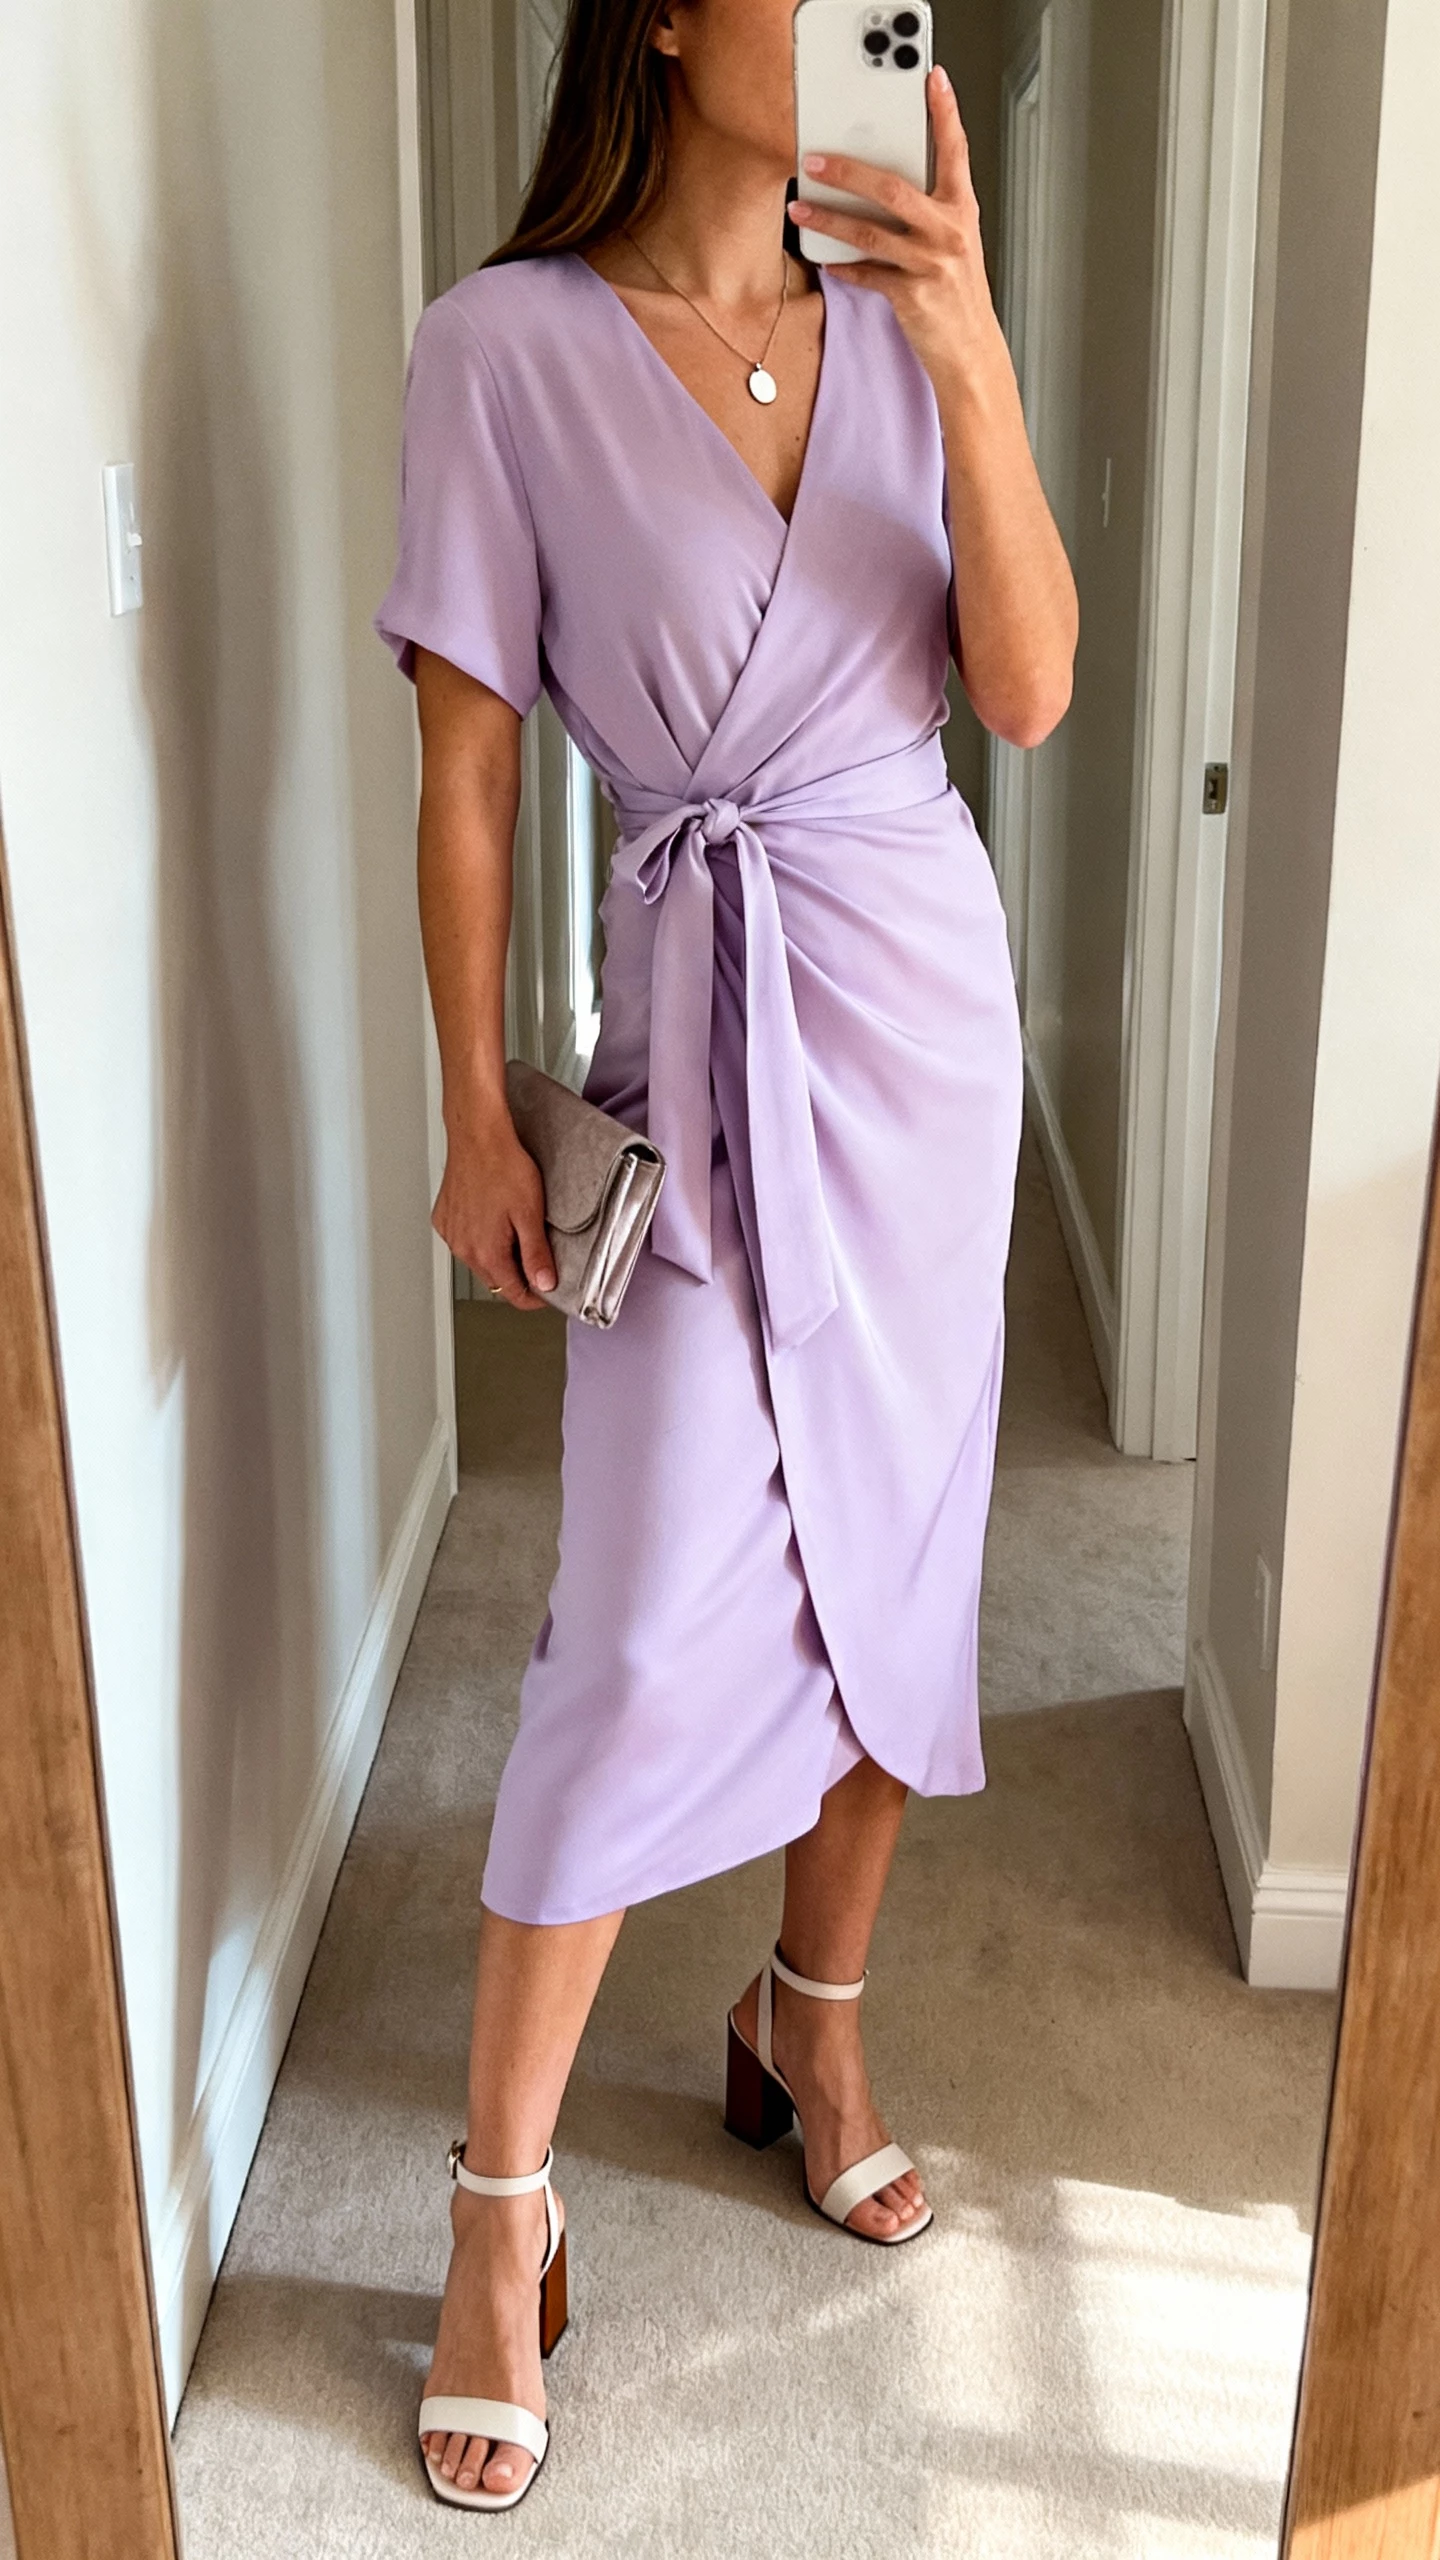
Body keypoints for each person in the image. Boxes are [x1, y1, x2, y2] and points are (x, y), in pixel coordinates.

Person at [376, 0, 1076, 2511]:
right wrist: (470, 1101)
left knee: (902, 1554)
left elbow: (1027, 683)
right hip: (695, 1000)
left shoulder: (908, 311)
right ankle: (493, 2203)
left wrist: (976, 350)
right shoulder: (504, 349)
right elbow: (467, 777)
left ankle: (815, 2019)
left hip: (913, 1015)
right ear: (668, 9)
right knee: (643, 1615)